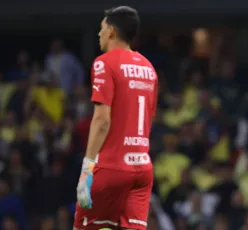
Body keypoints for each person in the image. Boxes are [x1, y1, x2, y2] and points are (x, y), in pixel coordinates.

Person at [73, 6, 158, 230]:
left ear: (111, 31)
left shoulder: (104, 62)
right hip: (142, 168)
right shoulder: (149, 68)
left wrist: (86, 169)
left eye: (101, 29)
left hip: (112, 167)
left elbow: (102, 120)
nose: (98, 34)